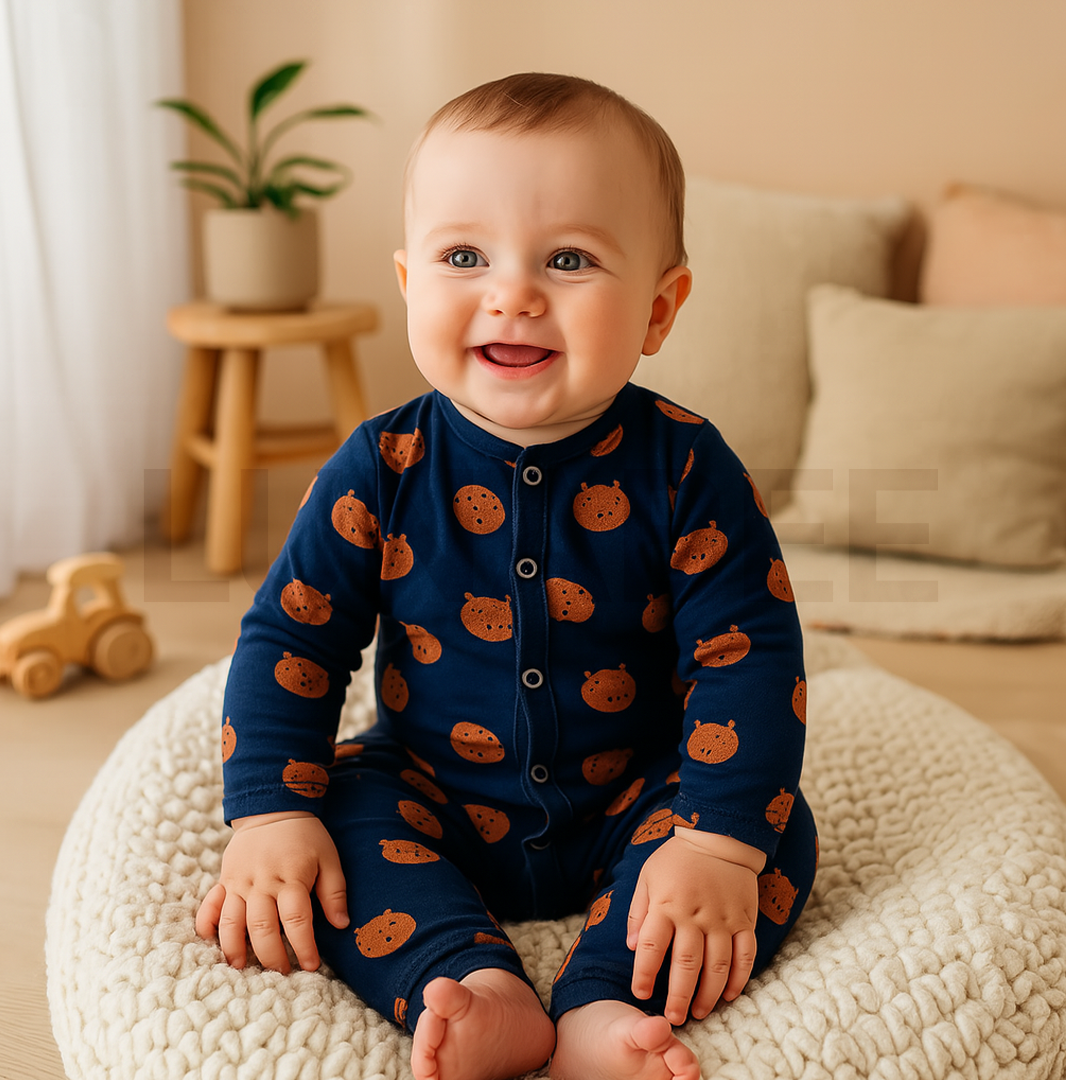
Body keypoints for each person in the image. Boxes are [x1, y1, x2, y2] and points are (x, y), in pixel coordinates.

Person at [196, 72, 817, 1080]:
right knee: (331, 814)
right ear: (410, 282)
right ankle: (475, 983)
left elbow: (747, 656)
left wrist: (715, 847)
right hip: (432, 792)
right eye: (464, 256)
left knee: (768, 834)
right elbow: (293, 637)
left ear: (660, 309)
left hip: (637, 795)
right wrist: (269, 812)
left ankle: (601, 1003)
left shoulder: (690, 467)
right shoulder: (382, 464)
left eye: (569, 259)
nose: (513, 292)